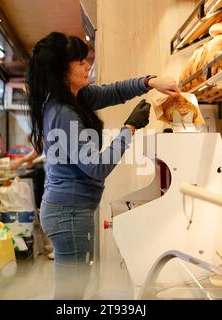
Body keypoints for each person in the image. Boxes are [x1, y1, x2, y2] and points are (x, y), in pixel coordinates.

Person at [28, 31, 180, 299]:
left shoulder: (75, 98)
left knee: (72, 290)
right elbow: (96, 166)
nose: (88, 66)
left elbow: (114, 91)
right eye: (80, 62)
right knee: (70, 295)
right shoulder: (63, 113)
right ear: (62, 70)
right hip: (69, 213)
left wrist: (150, 81)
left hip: (67, 210)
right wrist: (130, 128)